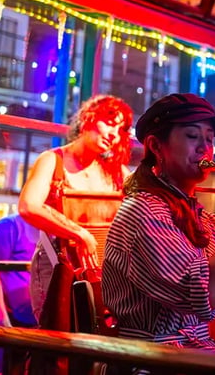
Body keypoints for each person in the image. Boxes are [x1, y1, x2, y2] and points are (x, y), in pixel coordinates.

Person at [101, 92, 215, 352]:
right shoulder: (143, 211)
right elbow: (205, 296)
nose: (204, 148)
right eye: (192, 136)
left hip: (193, 351)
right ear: (156, 146)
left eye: (209, 139)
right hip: (147, 357)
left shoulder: (206, 221)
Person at [18, 94, 133, 324]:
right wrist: (79, 233)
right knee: (57, 345)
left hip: (103, 273)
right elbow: (28, 206)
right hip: (57, 270)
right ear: (88, 118)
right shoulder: (52, 160)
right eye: (110, 123)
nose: (114, 134)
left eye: (120, 130)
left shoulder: (118, 172)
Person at [0, 213, 39, 328]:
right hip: (12, 322)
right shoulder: (8, 226)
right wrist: (2, 324)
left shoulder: (60, 234)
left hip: (44, 323)